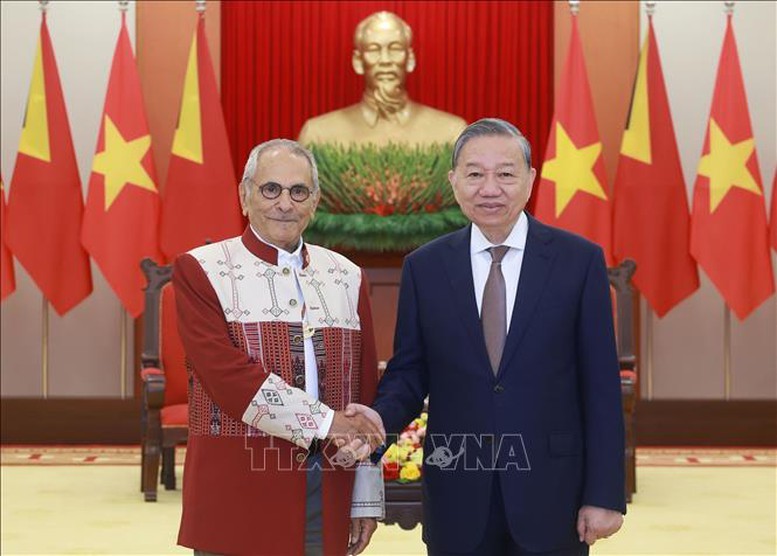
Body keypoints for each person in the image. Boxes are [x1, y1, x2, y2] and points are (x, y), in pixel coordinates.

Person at [349, 118, 626, 555]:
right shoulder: (426, 267)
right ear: (454, 181)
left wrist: (605, 494)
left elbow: (601, 388)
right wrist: (375, 424)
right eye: (475, 174)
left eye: (506, 173)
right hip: (458, 494)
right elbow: (409, 372)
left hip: (553, 493)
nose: (490, 188)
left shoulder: (578, 262)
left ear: (531, 180)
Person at [172, 139, 385, 556]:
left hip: (328, 483)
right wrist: (326, 423)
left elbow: (364, 396)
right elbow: (227, 378)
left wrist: (364, 499)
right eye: (270, 189)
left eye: (298, 191)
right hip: (236, 486)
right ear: (245, 195)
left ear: (315, 201)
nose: (284, 203)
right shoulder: (202, 269)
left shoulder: (347, 275)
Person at [298, 11, 466, 147]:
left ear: (409, 59)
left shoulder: (450, 133)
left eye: (395, 48)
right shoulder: (318, 135)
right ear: (358, 61)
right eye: (373, 49)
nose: (385, 60)